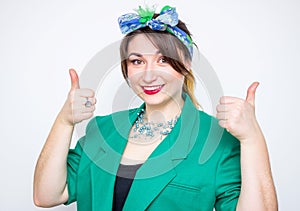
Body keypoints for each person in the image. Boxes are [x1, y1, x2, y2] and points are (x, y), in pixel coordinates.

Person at [33, 5, 278, 211]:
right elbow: (48, 196)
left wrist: (252, 139)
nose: (149, 75)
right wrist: (64, 121)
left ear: (187, 63)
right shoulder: (103, 129)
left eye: (163, 59)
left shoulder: (217, 142)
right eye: (137, 61)